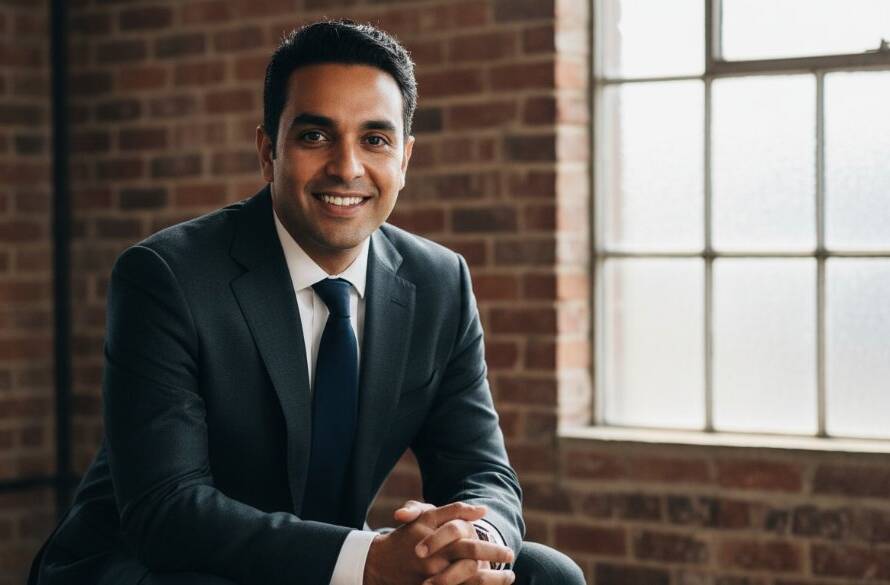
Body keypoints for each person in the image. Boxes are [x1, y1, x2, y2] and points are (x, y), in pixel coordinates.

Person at [30, 20, 585, 585]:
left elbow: (482, 469)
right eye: (315, 136)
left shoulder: (439, 281)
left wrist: (470, 540)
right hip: (156, 565)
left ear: (405, 160)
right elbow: (168, 512)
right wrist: (366, 561)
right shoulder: (167, 277)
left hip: (326, 561)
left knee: (543, 573)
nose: (347, 167)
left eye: (375, 139)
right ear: (268, 152)